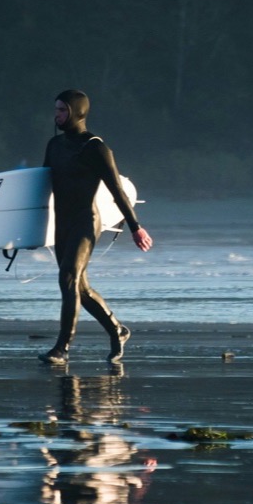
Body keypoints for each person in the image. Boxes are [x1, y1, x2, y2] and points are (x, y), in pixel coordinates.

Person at [39, 90, 152, 366]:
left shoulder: (95, 148)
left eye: (62, 110)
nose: (57, 115)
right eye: (55, 110)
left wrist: (135, 227)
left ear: (77, 112)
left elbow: (117, 191)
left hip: (86, 222)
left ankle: (62, 348)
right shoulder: (54, 146)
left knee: (68, 278)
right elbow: (40, 190)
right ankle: (118, 330)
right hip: (62, 222)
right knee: (80, 287)